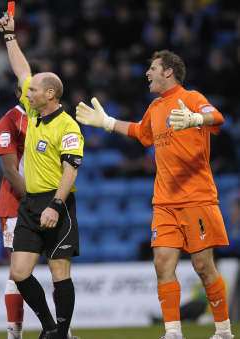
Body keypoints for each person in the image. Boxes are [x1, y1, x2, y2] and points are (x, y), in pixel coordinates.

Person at [76, 50, 234, 339]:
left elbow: (217, 117)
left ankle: (223, 330)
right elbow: (141, 132)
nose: (147, 73)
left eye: (152, 68)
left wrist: (195, 119)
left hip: (196, 198)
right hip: (164, 202)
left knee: (203, 266)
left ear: (168, 72)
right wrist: (107, 123)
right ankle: (173, 331)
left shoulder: (192, 98)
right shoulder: (156, 107)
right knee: (162, 264)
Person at [0, 14, 84, 339]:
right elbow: (21, 69)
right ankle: (49, 326)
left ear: (50, 94)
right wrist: (9, 36)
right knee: (19, 272)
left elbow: (71, 170)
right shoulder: (33, 113)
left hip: (56, 203)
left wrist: (56, 205)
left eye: (33, 90)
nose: (27, 91)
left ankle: (61, 332)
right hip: (31, 204)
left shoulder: (68, 126)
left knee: (59, 271)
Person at [0, 86, 27, 339]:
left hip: (45, 202)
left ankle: (62, 329)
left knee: (58, 266)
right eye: (29, 87)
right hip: (18, 203)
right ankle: (13, 333)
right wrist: (34, 200)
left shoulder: (49, 117)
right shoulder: (9, 121)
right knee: (18, 270)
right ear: (19, 92)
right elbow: (10, 170)